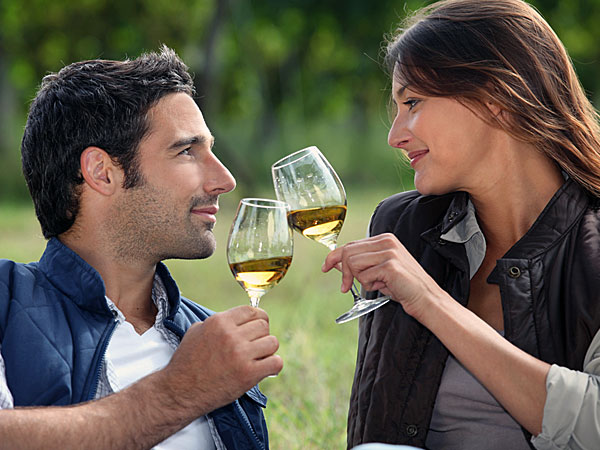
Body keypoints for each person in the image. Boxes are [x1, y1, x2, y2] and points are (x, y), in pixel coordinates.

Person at [322, 1, 600, 449]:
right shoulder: (404, 228)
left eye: (412, 103)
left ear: (496, 100)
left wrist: (429, 301)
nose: (394, 136)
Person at [0, 46, 283, 449]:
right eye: (187, 151)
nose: (225, 179)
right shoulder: (7, 303)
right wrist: (177, 393)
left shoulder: (206, 335)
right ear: (102, 173)